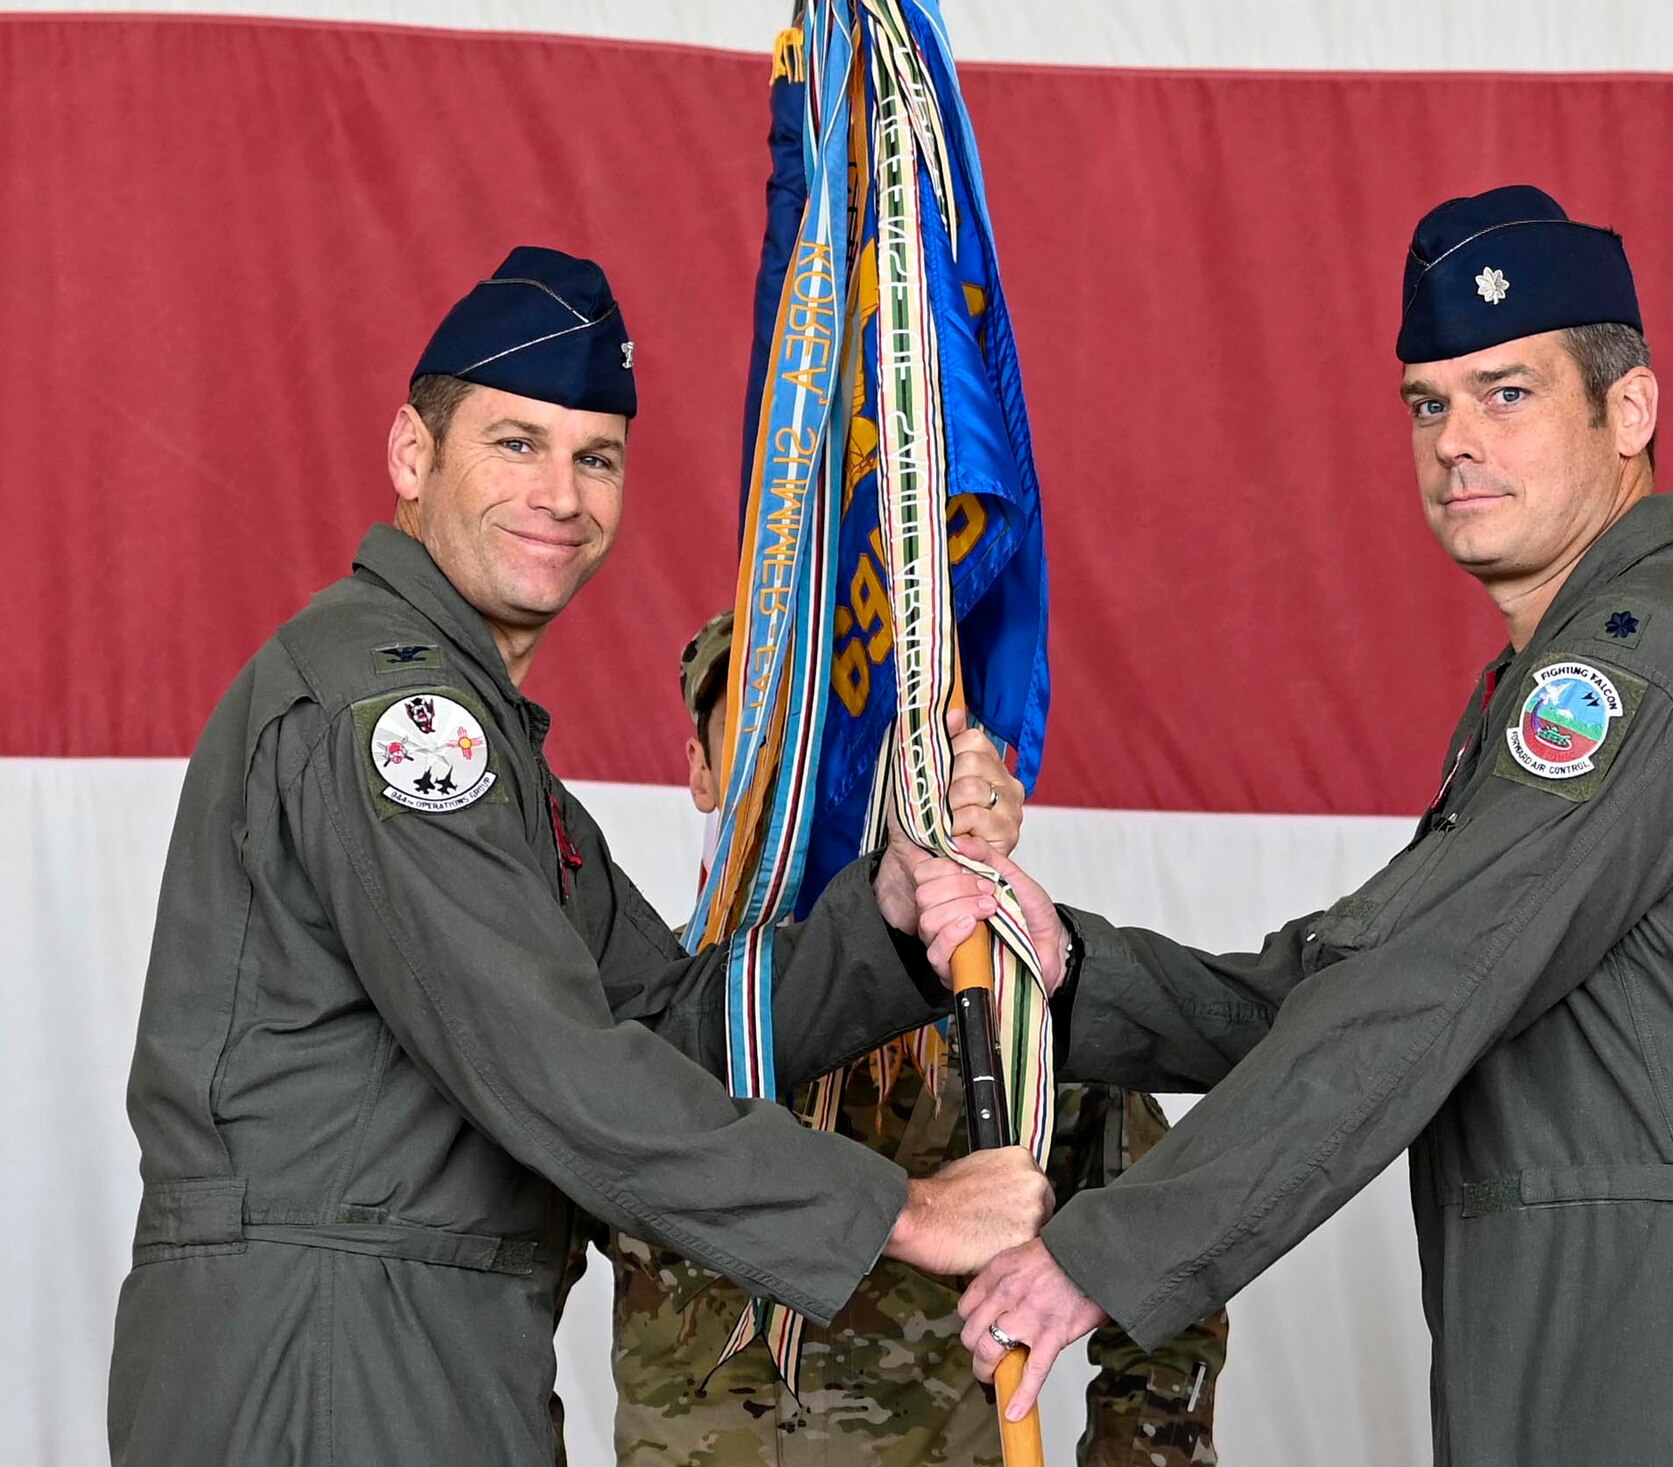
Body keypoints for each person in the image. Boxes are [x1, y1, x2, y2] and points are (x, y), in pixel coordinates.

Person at [912, 186, 1673, 1464]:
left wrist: (1108, 1253)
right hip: (1600, 1341)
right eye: (1426, 402)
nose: (1453, 440)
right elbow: (1358, 980)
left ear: (1629, 414)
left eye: (1506, 393)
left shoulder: (1638, 669)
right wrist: (1069, 974)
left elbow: (1418, 995)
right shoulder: (1571, 671)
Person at [107, 246, 1053, 1467]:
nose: (561, 493)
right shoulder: (391, 717)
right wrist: (905, 1212)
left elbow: (661, 1023)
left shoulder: (486, 744)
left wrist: (885, 910)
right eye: (514, 444)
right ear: (412, 455)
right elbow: (553, 1066)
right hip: (331, 1345)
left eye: (593, 456)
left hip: (437, 1334)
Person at [603, 611, 1226, 1467]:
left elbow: (1166, 1259)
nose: (812, 771)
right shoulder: (644, 1013)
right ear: (702, 770)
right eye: (765, 731)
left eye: (843, 737)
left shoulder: (999, 1009)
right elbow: (511, 1266)